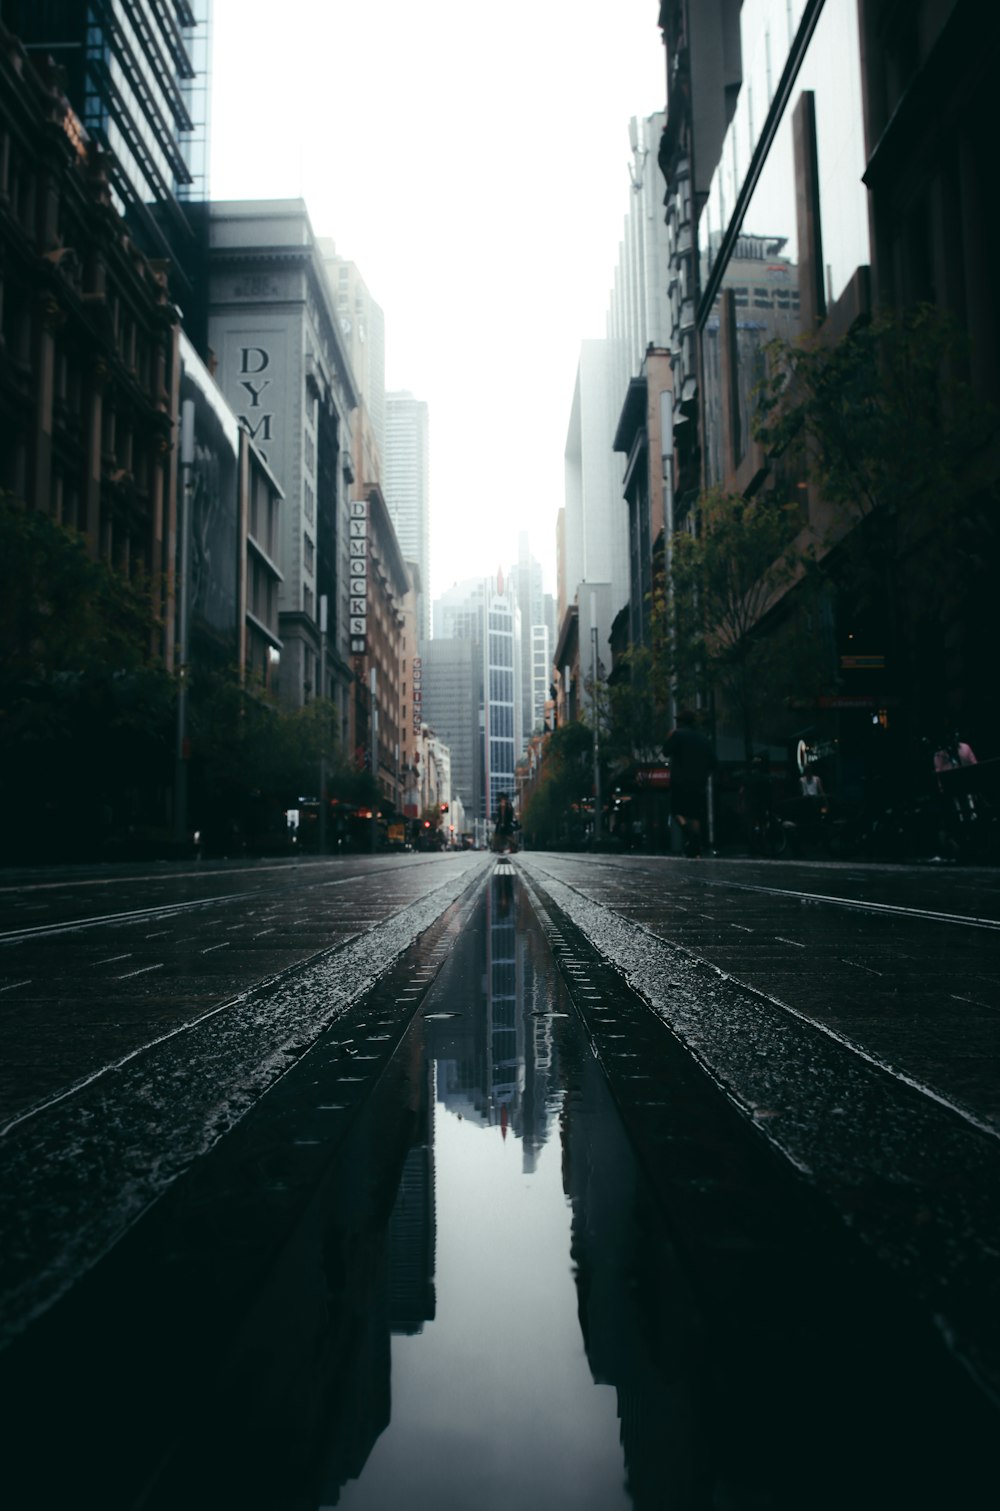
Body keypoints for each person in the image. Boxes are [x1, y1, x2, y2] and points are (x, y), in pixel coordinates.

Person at [664, 710, 715, 856]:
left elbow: (666, 751)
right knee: (695, 815)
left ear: (681, 723)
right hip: (699, 783)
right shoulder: (703, 738)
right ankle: (695, 847)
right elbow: (713, 762)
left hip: (680, 782)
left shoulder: (678, 735)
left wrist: (669, 737)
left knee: (676, 811)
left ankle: (691, 835)